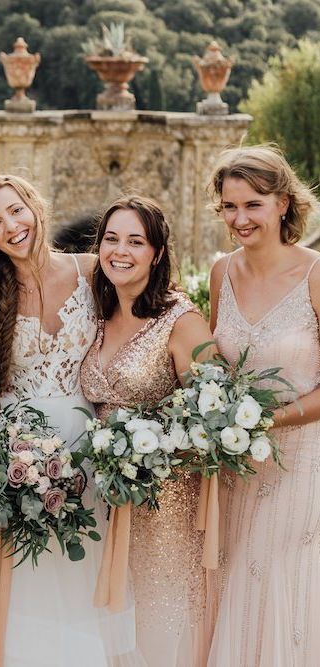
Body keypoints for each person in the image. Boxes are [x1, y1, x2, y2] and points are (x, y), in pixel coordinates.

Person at [0, 175, 141, 667]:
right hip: (19, 456)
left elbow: (144, 320)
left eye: (15, 211)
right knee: (23, 580)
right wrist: (5, 463)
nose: (10, 227)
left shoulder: (91, 271)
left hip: (89, 454)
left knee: (83, 576)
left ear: (35, 207)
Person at [79, 195, 214, 667]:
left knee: (157, 629)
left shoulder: (182, 321)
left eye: (136, 241)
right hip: (103, 501)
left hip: (163, 507)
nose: (121, 250)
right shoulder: (98, 314)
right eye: (111, 239)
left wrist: (149, 454)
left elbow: (211, 422)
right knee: (109, 630)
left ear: (156, 254)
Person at [206, 145, 320, 666]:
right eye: (230, 207)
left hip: (300, 459)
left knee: (279, 574)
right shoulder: (220, 272)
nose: (240, 219)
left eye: (253, 204)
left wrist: (267, 422)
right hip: (234, 467)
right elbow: (214, 370)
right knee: (235, 575)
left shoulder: (316, 274)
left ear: (282, 203)